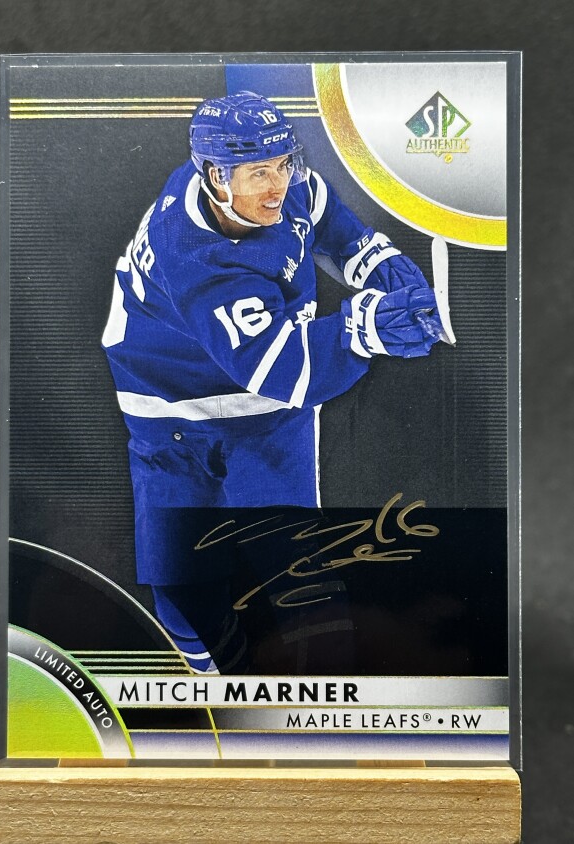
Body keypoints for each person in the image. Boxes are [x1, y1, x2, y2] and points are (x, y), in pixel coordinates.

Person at [102, 92, 444, 673]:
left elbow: (326, 217)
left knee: (295, 567)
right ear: (215, 177)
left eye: (284, 164)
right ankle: (212, 687)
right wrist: (366, 329)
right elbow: (279, 367)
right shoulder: (193, 256)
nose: (278, 186)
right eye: (259, 172)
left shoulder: (283, 186)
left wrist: (374, 261)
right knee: (181, 586)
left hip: (263, 404)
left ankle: (323, 696)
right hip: (167, 404)